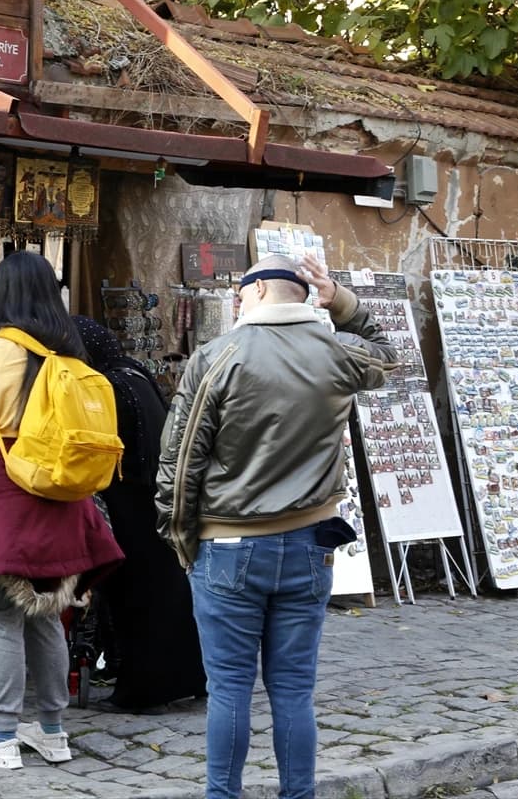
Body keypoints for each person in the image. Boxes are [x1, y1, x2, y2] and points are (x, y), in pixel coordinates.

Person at [156, 254, 397, 799]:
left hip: (228, 544)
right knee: (293, 690)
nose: (236, 301)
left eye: (240, 292)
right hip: (311, 543)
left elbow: (181, 459)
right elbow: (387, 352)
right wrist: (341, 301)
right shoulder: (336, 351)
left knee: (230, 690)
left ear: (259, 289)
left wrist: (180, 538)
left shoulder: (218, 356)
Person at [0, 251, 124, 770]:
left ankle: (4, 736)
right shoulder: (71, 352)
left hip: (4, 489)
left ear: (4, 294)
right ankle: (53, 731)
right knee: (48, 614)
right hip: (60, 494)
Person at [72, 316, 207, 714]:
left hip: (127, 502)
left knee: (136, 598)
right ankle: (187, 679)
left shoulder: (105, 387)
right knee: (166, 593)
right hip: (152, 499)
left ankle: (144, 691)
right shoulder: (135, 374)